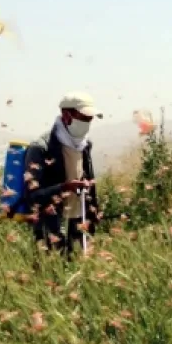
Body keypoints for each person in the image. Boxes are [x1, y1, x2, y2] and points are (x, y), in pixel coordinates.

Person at [23, 91, 104, 257]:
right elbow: (33, 196)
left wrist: (93, 211)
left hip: (79, 224)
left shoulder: (84, 145)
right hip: (52, 227)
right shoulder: (40, 148)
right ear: (66, 115)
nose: (88, 122)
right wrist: (65, 187)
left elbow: (89, 181)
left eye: (90, 119)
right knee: (53, 275)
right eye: (84, 117)